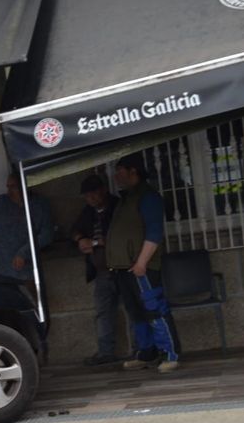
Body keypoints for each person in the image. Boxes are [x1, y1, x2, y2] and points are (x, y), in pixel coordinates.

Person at [107, 156, 182, 373]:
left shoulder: (148, 197)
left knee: (154, 309)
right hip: (123, 268)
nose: (116, 175)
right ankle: (146, 352)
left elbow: (154, 233)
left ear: (133, 172)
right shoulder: (126, 198)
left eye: (120, 170)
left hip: (142, 267)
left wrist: (142, 262)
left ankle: (170, 353)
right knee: (136, 313)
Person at [0, 173, 53, 290]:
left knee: (29, 304)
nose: (9, 192)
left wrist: (23, 253)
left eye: (14, 187)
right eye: (8, 187)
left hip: (28, 271)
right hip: (0, 268)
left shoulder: (40, 205)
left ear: (25, 187)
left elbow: (47, 235)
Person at [71, 175, 122, 367]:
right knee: (103, 312)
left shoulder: (118, 207)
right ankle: (106, 352)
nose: (90, 198)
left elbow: (118, 237)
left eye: (92, 193)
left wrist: (94, 242)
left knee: (134, 310)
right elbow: (74, 230)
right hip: (101, 270)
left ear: (102, 190)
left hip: (121, 268)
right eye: (86, 195)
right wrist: (80, 240)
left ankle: (140, 350)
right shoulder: (89, 212)